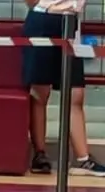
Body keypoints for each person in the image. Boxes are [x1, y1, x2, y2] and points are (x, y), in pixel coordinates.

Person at [21, 0, 105, 176]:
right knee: (40, 92)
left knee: (75, 93)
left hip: (71, 21)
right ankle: (39, 154)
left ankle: (83, 159)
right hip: (43, 18)